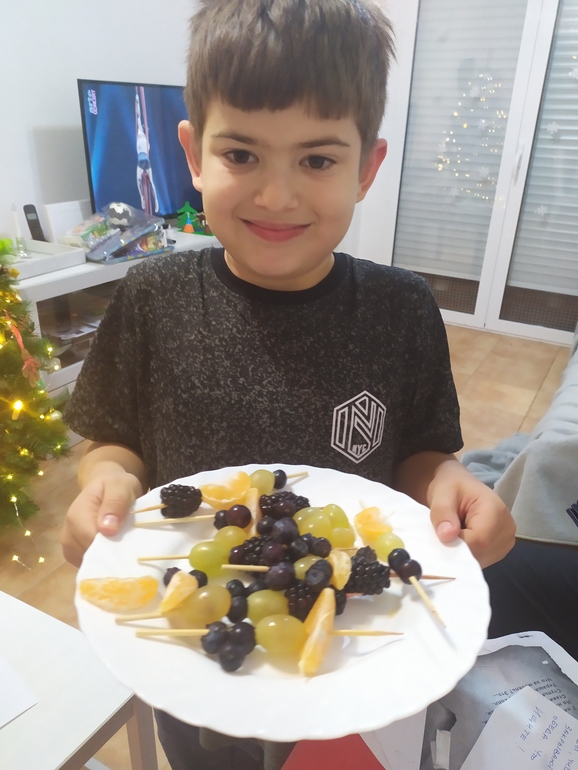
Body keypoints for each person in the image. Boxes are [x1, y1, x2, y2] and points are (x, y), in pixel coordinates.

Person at [61, 1, 516, 768]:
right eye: (241, 154)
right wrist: (107, 480)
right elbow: (114, 440)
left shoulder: (402, 309)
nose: (276, 195)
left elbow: (422, 454)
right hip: (197, 654)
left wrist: (449, 484)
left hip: (351, 659)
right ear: (193, 154)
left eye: (317, 160)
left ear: (367, 168)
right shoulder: (151, 299)